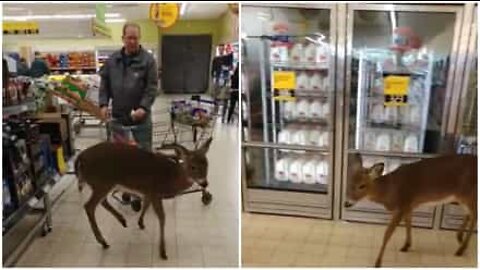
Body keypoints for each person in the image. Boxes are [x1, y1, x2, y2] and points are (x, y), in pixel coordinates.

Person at [99, 22, 158, 210]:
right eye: (129, 37)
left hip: (141, 119)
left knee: (143, 157)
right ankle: (127, 189)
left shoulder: (148, 61)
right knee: (122, 159)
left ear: (139, 39)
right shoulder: (112, 60)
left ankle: (143, 190)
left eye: (135, 37)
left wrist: (143, 107)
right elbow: (104, 84)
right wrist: (102, 104)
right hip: (118, 118)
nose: (132, 41)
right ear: (123, 38)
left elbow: (152, 88)